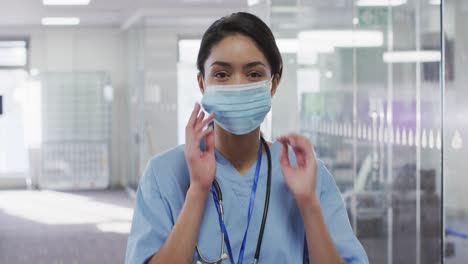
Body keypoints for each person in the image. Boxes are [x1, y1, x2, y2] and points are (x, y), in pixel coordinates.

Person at [125, 12, 368, 264]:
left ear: (273, 83)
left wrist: (308, 204)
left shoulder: (306, 174)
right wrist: (197, 190)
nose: (237, 85)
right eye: (221, 74)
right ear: (202, 83)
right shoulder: (164, 174)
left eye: (253, 74)